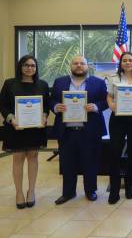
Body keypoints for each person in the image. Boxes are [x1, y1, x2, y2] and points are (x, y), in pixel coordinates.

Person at [50, 55, 108, 205]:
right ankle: (68, 193)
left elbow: (105, 101)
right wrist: (56, 107)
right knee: (67, 163)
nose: (79, 66)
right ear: (71, 66)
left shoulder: (98, 83)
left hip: (90, 130)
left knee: (91, 162)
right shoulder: (59, 82)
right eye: (75, 63)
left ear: (87, 66)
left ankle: (90, 191)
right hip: (67, 131)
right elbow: (52, 100)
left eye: (82, 63)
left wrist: (96, 107)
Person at [0, 55, 49, 209]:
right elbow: (3, 105)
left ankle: (31, 191)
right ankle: (19, 193)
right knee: (18, 158)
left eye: (33, 65)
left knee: (33, 157)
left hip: (35, 128)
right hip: (16, 127)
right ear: (20, 66)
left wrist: (44, 116)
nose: (30, 68)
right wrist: (11, 118)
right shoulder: (10, 84)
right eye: (26, 65)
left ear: (36, 68)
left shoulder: (42, 84)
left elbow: (46, 106)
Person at [106, 52, 132, 204]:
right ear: (121, 63)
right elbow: (109, 96)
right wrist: (111, 104)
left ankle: (130, 186)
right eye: (125, 60)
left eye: (130, 60)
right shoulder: (114, 78)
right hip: (117, 119)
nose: (128, 63)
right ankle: (115, 190)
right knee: (115, 153)